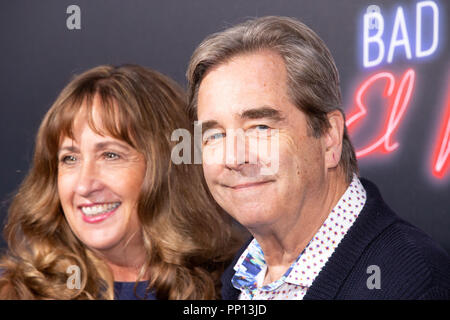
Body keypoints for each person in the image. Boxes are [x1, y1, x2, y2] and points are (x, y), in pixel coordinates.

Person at [186, 16, 450, 299]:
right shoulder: (237, 279)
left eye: (260, 127)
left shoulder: (414, 284)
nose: (234, 158)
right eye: (214, 135)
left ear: (329, 136)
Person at [0, 64, 239, 299]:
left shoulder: (241, 283)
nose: (84, 186)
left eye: (110, 155)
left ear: (169, 167)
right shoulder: (17, 293)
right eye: (70, 158)